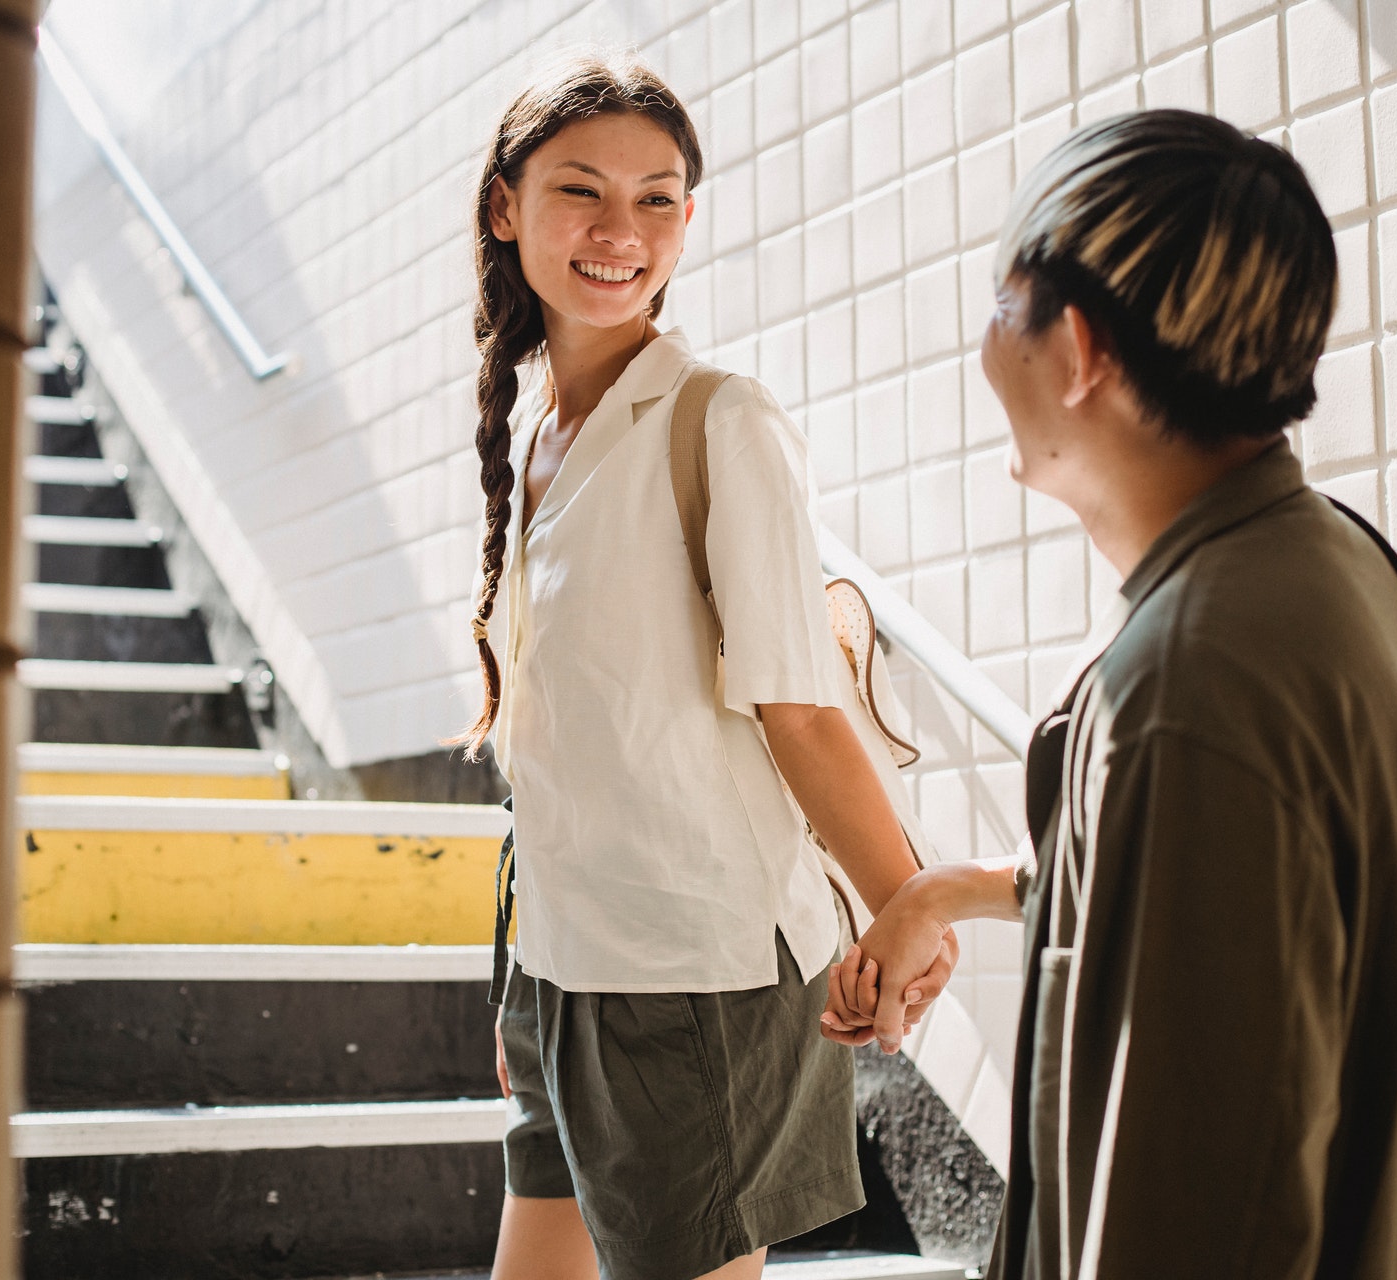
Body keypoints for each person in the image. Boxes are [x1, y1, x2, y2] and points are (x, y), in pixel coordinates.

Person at [822, 111, 1397, 1279]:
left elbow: (1197, 1211)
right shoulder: (1314, 562)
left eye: (1005, 303)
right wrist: (944, 887)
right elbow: (1211, 881)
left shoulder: (1194, 673)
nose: (987, 343)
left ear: (1081, 349)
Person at [461, 54, 956, 1280]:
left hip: (693, 975)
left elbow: (803, 708)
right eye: (582, 191)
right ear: (505, 207)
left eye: (660, 197)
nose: (622, 231)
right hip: (561, 959)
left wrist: (910, 912)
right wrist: (526, 978)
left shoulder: (721, 421)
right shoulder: (540, 442)